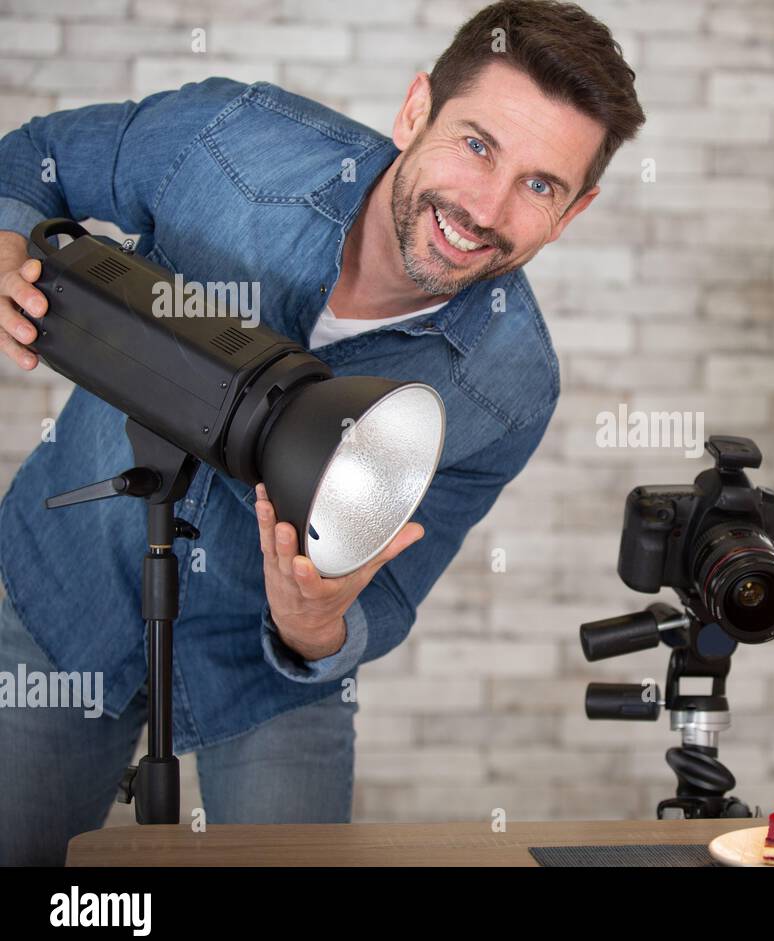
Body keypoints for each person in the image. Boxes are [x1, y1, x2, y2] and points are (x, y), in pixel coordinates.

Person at [0, 0, 644, 865]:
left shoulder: (509, 383)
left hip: (262, 676)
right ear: (415, 110)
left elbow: (391, 589)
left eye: (540, 185)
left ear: (574, 211)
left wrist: (318, 626)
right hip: (68, 581)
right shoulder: (232, 142)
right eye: (478, 144)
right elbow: (33, 159)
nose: (485, 207)